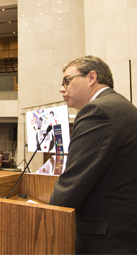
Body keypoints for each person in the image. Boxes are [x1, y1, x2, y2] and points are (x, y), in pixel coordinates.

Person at [48, 55, 137, 254]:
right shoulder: (125, 107)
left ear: (91, 77)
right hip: (124, 233)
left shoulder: (97, 112)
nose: (62, 88)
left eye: (67, 81)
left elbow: (73, 183)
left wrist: (45, 217)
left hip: (104, 241)